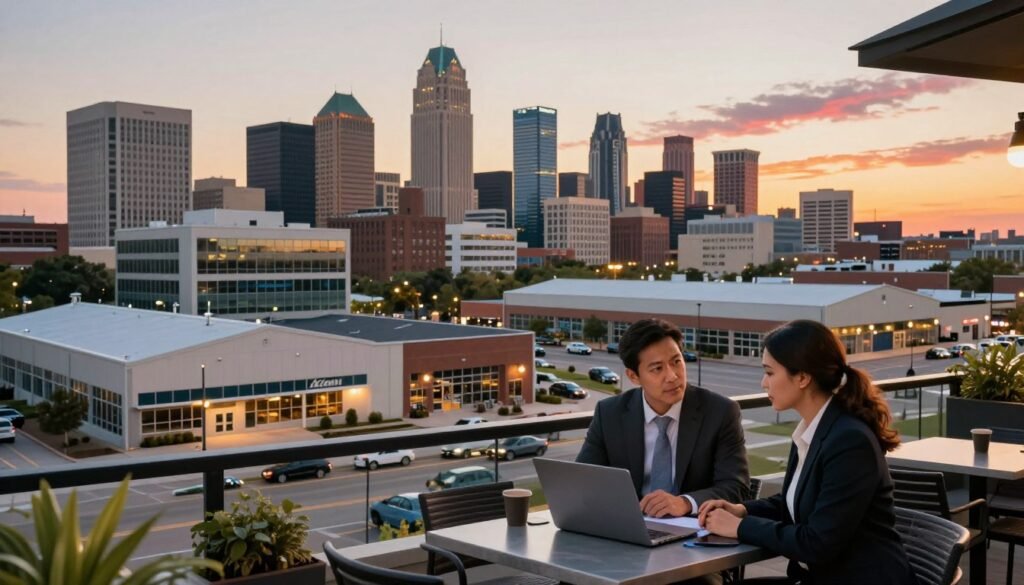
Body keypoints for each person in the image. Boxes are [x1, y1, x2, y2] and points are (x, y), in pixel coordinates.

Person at [698, 320, 917, 585]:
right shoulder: (812, 430)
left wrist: (739, 528)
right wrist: (741, 510)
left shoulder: (849, 441)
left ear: (802, 377)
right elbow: (795, 504)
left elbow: (817, 543)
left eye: (769, 372)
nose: (763, 383)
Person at [576, 318, 749, 519]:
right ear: (633, 376)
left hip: (694, 531)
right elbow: (583, 481)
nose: (672, 376)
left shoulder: (720, 412)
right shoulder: (610, 414)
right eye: (657, 368)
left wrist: (685, 502)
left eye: (677, 362)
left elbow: (736, 487)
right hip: (631, 527)